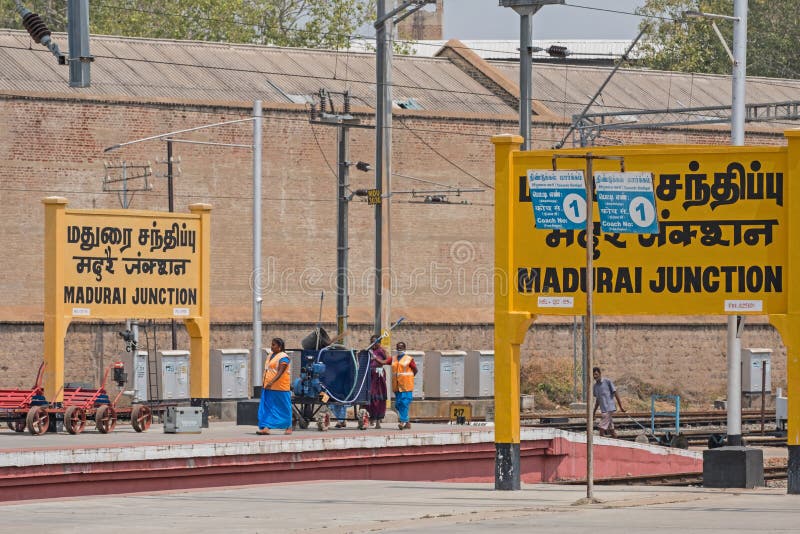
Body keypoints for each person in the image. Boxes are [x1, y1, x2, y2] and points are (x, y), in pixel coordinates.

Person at [257, 337, 292, 435]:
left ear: (279, 347)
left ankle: (288, 426)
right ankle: (266, 427)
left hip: (280, 387)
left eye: (274, 345)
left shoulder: (284, 357)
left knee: (284, 407)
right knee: (268, 407)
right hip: (268, 387)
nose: (271, 347)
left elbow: (280, 372)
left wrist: (272, 382)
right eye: (271, 344)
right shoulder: (271, 355)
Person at [367, 334, 392, 429]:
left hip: (379, 376)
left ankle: (378, 421)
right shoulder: (369, 351)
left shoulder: (381, 351)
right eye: (372, 342)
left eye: (375, 342)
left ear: (379, 343)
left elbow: (387, 361)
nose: (373, 344)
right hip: (370, 376)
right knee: (370, 397)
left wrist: (376, 357)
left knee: (379, 397)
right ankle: (371, 418)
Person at [592, 366, 625, 438]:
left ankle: (601, 443)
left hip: (609, 409)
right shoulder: (595, 386)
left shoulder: (607, 382)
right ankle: (616, 442)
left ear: (600, 374)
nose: (595, 376)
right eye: (594, 375)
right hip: (603, 410)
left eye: (596, 374)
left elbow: (615, 393)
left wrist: (621, 406)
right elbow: (598, 400)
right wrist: (594, 412)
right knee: (611, 430)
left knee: (601, 428)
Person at [391, 341, 417, 430]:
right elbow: (384, 361)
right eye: (398, 347)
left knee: (404, 403)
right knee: (398, 405)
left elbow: (415, 370)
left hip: (406, 386)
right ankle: (407, 422)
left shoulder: (409, 359)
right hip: (397, 386)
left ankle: (402, 421)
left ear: (405, 349)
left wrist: (409, 378)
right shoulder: (394, 359)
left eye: (401, 348)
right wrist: (374, 357)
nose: (399, 349)